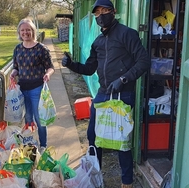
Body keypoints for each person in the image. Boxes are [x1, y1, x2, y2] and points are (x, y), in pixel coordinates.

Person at [61, 0, 150, 187]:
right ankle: (94, 176)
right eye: (97, 13)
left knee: (121, 141)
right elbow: (89, 68)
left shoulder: (128, 34)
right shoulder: (98, 42)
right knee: (93, 137)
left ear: (114, 11)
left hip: (123, 95)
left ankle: (127, 182)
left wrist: (123, 79)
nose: (101, 16)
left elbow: (143, 61)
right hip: (102, 95)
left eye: (105, 11)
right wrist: (70, 64)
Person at [10, 18, 55, 153]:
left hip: (37, 89)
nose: (25, 32)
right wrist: (13, 73)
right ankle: (30, 142)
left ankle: (43, 145)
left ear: (33, 31)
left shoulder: (41, 49)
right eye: (23, 30)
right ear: (19, 32)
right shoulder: (18, 49)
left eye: (28, 30)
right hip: (22, 89)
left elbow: (51, 67)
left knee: (39, 118)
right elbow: (16, 67)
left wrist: (48, 74)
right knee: (28, 118)